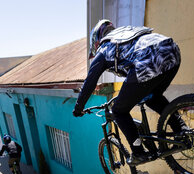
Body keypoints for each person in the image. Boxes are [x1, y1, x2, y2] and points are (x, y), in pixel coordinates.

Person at [73, 19, 187, 165]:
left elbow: (90, 82)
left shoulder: (104, 48)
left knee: (119, 111)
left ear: (97, 41)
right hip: (172, 50)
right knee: (152, 97)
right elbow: (135, 80)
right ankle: (182, 131)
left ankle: (139, 153)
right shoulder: (127, 34)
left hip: (147, 58)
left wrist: (78, 108)